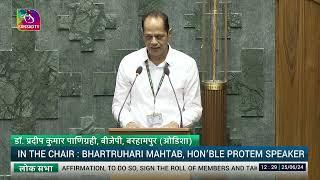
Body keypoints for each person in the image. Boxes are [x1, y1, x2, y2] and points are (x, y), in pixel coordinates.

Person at [112, 10, 202, 128]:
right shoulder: (129, 63)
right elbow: (119, 105)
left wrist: (177, 124)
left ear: (169, 34)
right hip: (138, 139)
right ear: (142, 34)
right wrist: (129, 123)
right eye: (148, 37)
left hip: (172, 139)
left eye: (159, 36)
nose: (153, 42)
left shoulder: (187, 64)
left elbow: (194, 108)